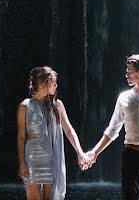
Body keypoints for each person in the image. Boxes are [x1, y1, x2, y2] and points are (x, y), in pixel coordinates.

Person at [84, 54, 139, 200]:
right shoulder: (123, 97)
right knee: (128, 196)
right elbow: (112, 130)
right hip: (129, 153)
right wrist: (94, 152)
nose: (126, 75)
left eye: (129, 71)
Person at [17, 66, 90, 200]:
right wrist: (22, 163)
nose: (56, 85)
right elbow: (21, 137)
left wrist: (80, 152)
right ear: (43, 83)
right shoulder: (25, 105)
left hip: (51, 159)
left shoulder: (57, 105)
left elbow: (68, 130)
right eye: (53, 81)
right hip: (32, 159)